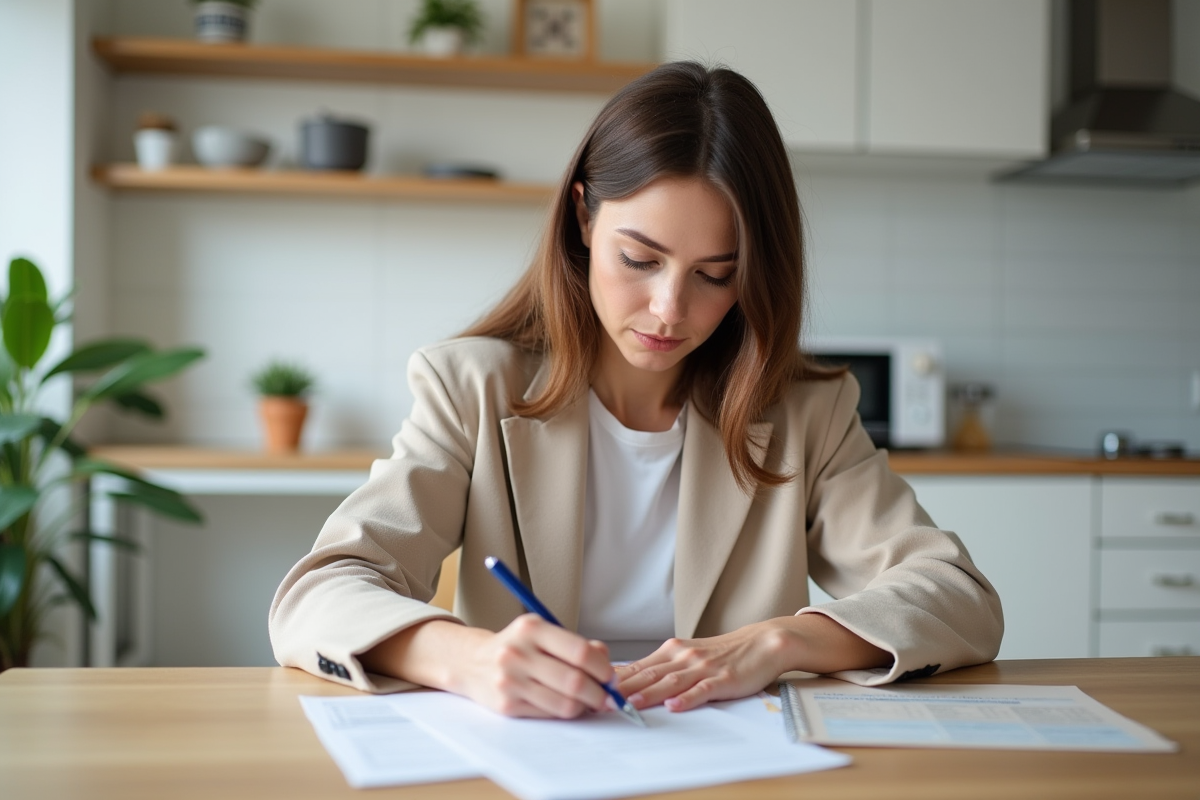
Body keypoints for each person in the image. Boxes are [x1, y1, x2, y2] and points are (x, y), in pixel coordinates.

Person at [269, 61, 1003, 720]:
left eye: (716, 274)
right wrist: (468, 660)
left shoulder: (806, 410)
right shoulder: (473, 388)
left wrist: (779, 641)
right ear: (585, 218)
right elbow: (317, 597)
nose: (670, 310)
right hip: (539, 757)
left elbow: (959, 599)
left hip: (735, 764)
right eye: (639, 259)